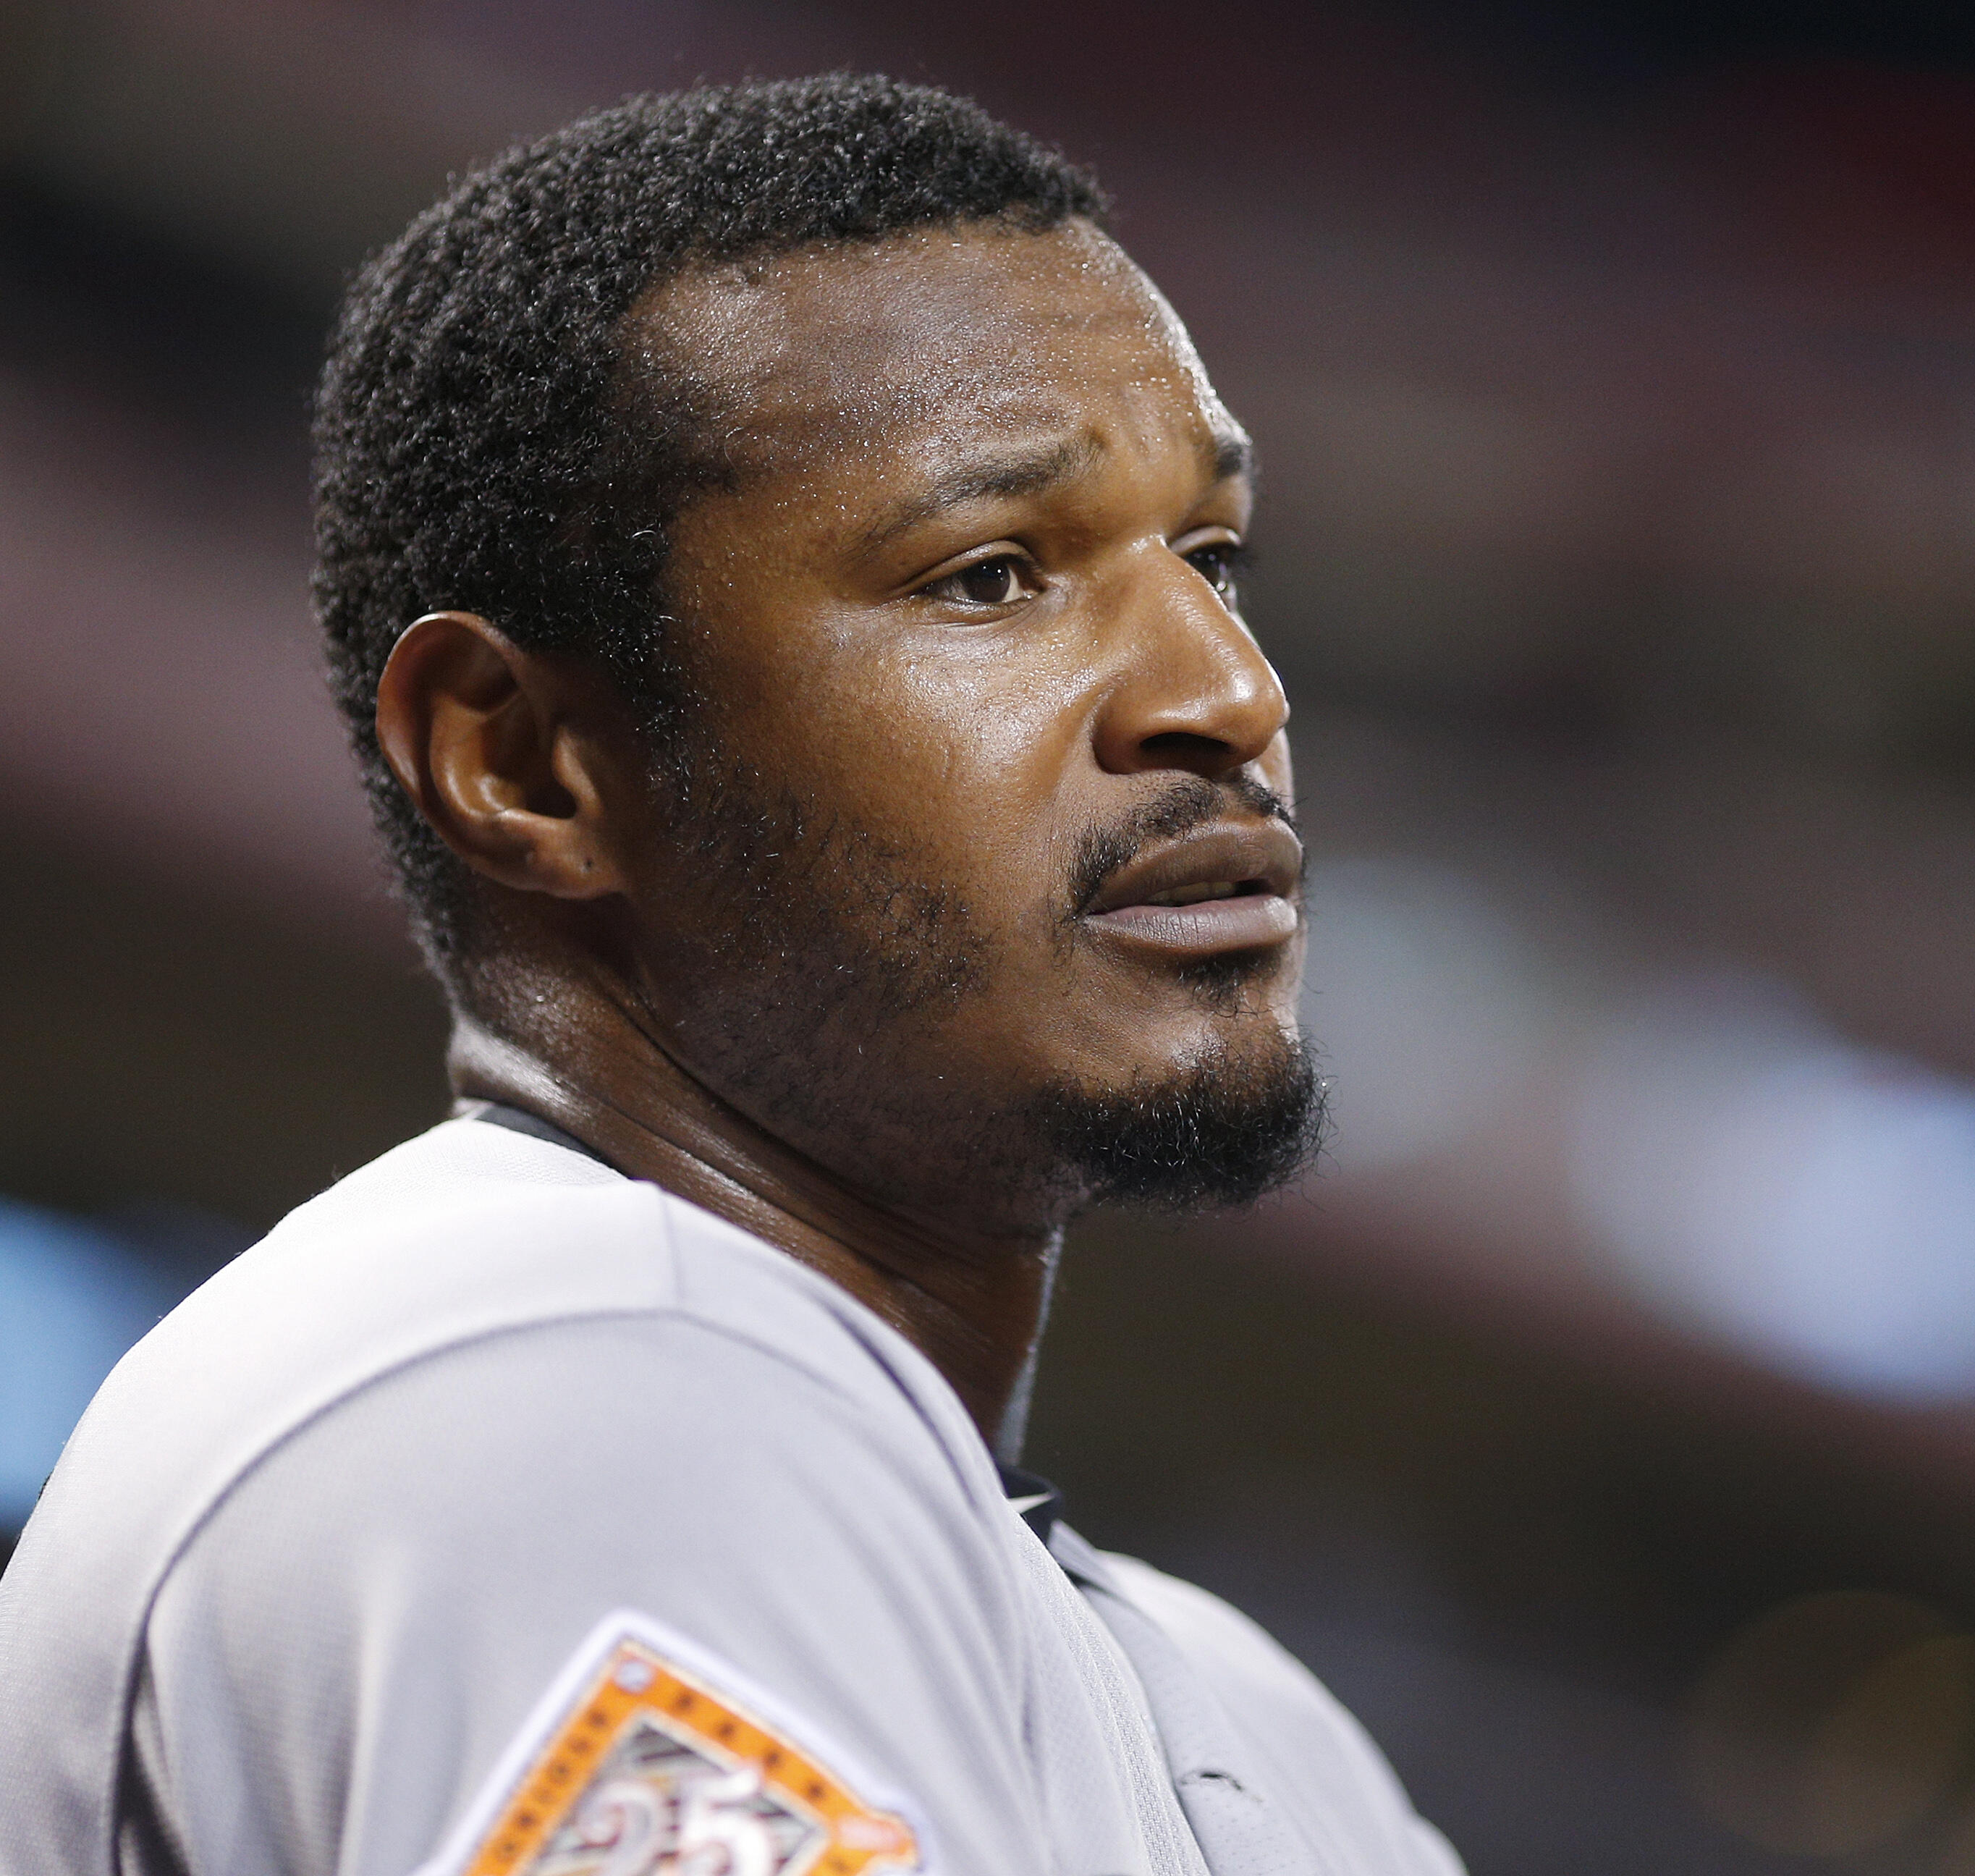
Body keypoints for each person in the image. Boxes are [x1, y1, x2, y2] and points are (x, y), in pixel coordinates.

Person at [0, 75, 1459, 1876]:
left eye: (1212, 557)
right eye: (992, 576)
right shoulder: (557, 1392)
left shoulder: (1244, 1708)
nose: (1231, 693)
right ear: (524, 762)